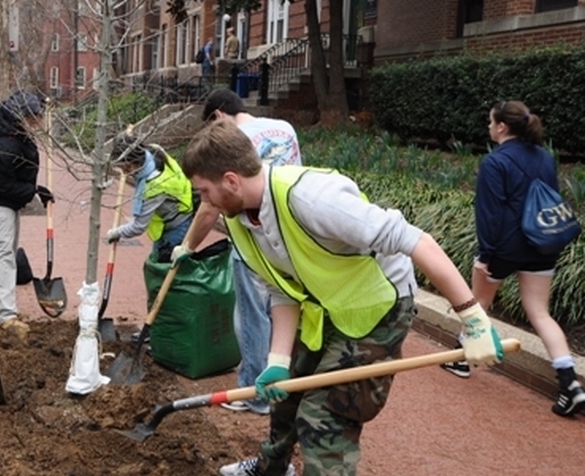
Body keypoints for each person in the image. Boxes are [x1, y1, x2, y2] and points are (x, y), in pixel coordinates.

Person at [181, 120, 503, 476]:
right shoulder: (242, 219)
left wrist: (473, 319)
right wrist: (276, 359)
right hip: (328, 308)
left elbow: (416, 241)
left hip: (380, 306)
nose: (204, 203)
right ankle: (271, 469)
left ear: (230, 180)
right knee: (285, 392)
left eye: (204, 191)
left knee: (325, 417)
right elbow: (281, 289)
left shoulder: (312, 198)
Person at [441, 100, 585, 416]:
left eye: (490, 122)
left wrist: (486, 256)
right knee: (540, 312)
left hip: (505, 247)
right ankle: (569, 384)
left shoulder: (496, 162)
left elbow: (490, 215)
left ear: (502, 127)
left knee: (477, 305)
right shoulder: (545, 157)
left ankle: (461, 360)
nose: (488, 127)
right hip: (542, 243)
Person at [174, 89, 300, 416]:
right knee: (281, 310)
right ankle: (278, 382)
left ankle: (251, 391)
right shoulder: (284, 127)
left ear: (218, 115)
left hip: (252, 239)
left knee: (250, 315)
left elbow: (209, 207)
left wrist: (186, 247)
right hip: (289, 236)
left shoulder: (230, 142)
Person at [0, 91, 54, 341]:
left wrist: (35, 188)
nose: (41, 121)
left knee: (2, 252)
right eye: (38, 116)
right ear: (25, 116)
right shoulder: (4, 142)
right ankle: (6, 316)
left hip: (5, 199)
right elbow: (3, 184)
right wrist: (31, 190)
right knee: (3, 254)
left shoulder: (13, 128)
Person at [106, 136, 194, 255]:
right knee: (156, 265)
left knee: (163, 269)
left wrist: (116, 232)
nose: (125, 173)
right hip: (177, 210)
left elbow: (138, 226)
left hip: (177, 225)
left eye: (126, 168)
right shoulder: (153, 151)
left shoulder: (153, 187)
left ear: (135, 163)